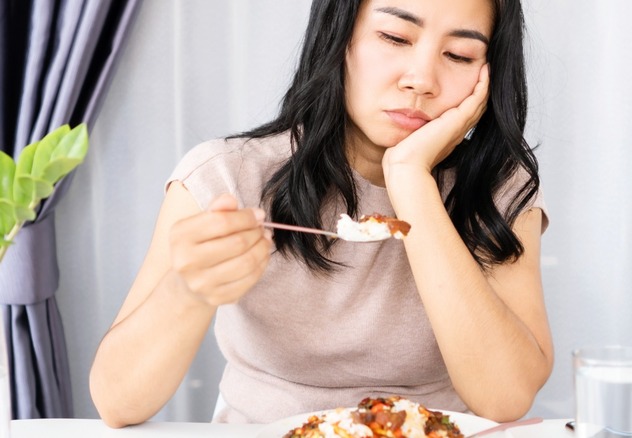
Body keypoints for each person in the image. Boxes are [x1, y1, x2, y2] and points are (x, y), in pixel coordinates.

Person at [89, 0, 553, 428]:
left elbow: (506, 398)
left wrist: (411, 179)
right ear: (340, 37)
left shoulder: (501, 190)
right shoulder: (229, 176)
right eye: (394, 38)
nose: (421, 79)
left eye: (459, 55)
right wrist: (186, 292)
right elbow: (117, 402)